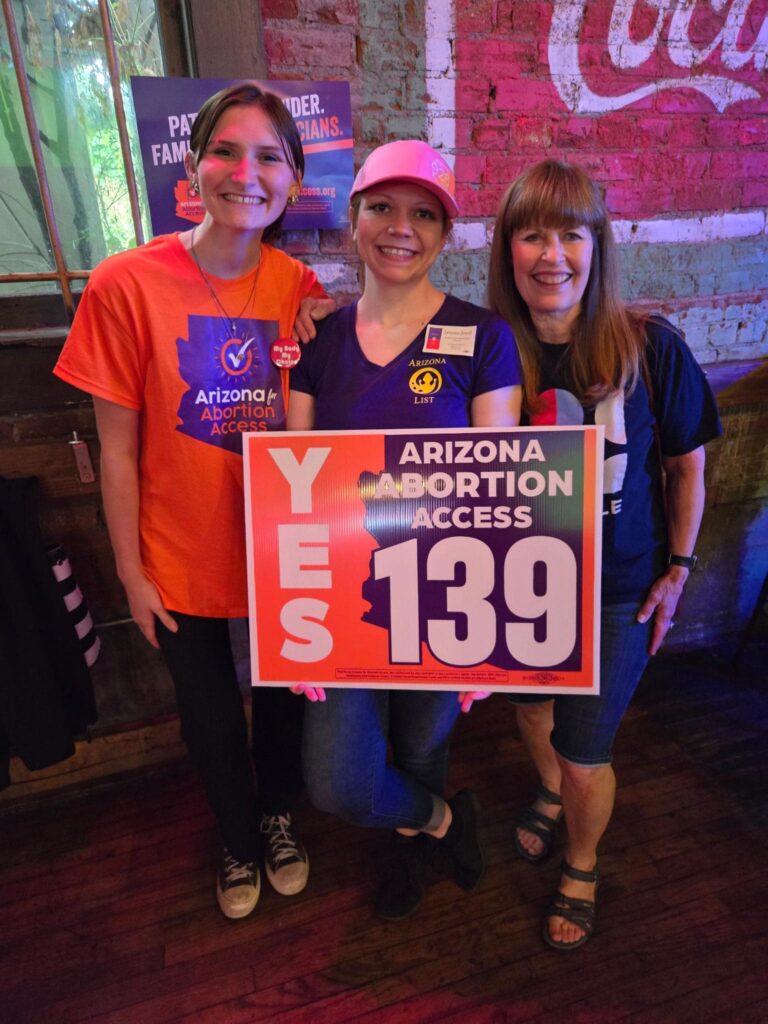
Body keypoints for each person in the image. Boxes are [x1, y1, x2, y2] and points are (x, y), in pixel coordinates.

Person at [54, 82, 331, 920]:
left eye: (269, 157)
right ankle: (237, 837)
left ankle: (277, 817)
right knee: (209, 721)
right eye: (225, 150)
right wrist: (132, 575)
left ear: (291, 180)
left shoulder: (300, 286)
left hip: (284, 554)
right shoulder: (124, 283)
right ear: (192, 164)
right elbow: (116, 449)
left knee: (284, 708)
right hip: (177, 554)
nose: (245, 172)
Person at [487, 159, 722, 950]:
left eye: (570, 234)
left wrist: (680, 570)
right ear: (507, 250)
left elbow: (687, 464)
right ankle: (547, 793)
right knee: (532, 713)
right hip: (513, 583)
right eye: (531, 235)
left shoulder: (652, 346)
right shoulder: (483, 352)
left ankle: (580, 862)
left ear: (597, 247)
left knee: (588, 753)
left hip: (620, 587)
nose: (551, 255)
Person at [287, 140, 523, 920]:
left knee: (421, 749)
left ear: (445, 234)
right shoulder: (315, 343)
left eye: (425, 213)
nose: (401, 227)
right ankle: (446, 821)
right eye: (382, 206)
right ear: (352, 218)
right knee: (340, 781)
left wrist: (492, 634)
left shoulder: (484, 339)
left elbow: (502, 493)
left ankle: (411, 851)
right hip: (345, 603)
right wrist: (297, 614)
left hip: (445, 595)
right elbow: (295, 487)